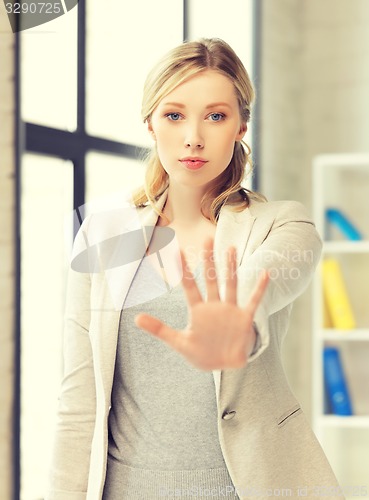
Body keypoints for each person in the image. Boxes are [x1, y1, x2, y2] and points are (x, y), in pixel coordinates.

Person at [47, 38, 343, 499]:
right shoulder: (101, 235)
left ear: (241, 125)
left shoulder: (281, 223)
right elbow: (78, 402)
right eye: (174, 114)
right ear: (150, 123)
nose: (193, 137)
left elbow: (272, 275)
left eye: (216, 116)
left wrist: (239, 320)